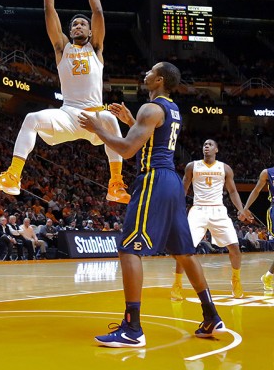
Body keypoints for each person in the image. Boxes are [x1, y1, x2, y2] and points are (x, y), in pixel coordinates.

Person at [78, 62, 226, 346]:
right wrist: (132, 122)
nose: (144, 73)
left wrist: (98, 128)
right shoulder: (171, 109)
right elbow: (151, 139)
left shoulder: (151, 108)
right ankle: (211, 315)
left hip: (153, 179)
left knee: (128, 249)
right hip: (171, 180)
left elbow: (128, 149)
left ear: (158, 80)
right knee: (185, 252)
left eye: (149, 71)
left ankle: (132, 328)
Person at [0, 0, 130, 205]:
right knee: (31, 119)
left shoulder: (97, 48)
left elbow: (99, 12)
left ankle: (115, 184)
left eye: (82, 24)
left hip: (95, 115)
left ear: (91, 32)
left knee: (111, 119)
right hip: (69, 114)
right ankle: (13, 176)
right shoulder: (62, 48)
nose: (78, 26)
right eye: (74, 25)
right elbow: (49, 9)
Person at [170, 139, 253, 301]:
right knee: (184, 250)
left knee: (235, 248)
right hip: (198, 209)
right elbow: (183, 189)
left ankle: (236, 280)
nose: (206, 146)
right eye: (204, 145)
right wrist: (176, 208)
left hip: (218, 210)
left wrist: (241, 209)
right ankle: (177, 284)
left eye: (210, 145)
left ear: (217, 149)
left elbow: (233, 191)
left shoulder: (225, 168)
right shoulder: (192, 166)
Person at [243, 167, 274, 292]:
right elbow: (256, 190)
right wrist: (245, 208)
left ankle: (268, 276)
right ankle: (268, 276)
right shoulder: (268, 173)